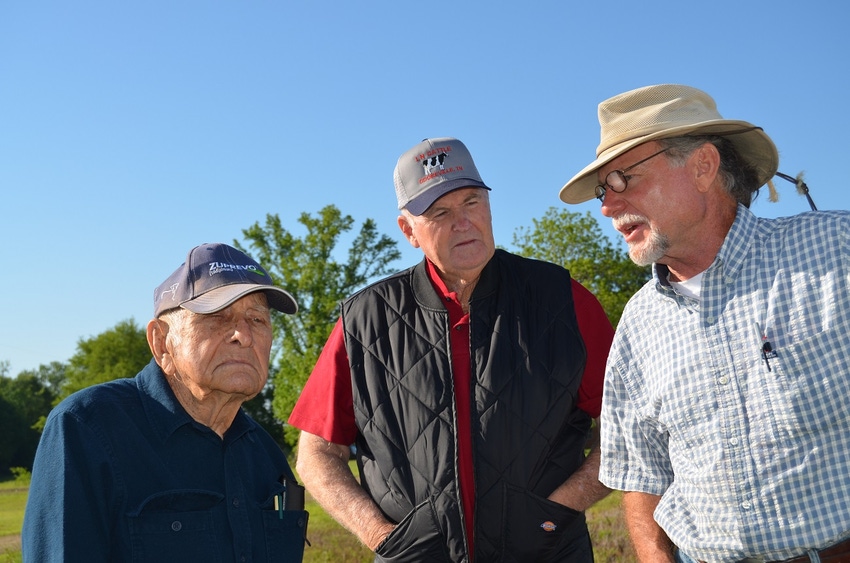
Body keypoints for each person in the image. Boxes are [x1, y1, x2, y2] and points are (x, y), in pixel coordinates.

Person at [559, 84, 850, 563]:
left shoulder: (833, 251)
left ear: (702, 167)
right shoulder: (639, 323)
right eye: (601, 191)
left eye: (622, 180)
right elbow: (641, 474)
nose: (607, 208)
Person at [288, 137, 615, 562]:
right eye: (440, 212)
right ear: (408, 230)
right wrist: (383, 537)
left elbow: (627, 428)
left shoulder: (561, 299)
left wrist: (553, 517)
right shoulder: (364, 319)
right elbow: (315, 455)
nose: (464, 222)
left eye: (472, 201)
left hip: (547, 552)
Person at [22, 243, 309, 562]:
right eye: (216, 316)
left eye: (257, 319)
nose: (243, 334)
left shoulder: (268, 459)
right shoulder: (86, 429)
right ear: (161, 342)